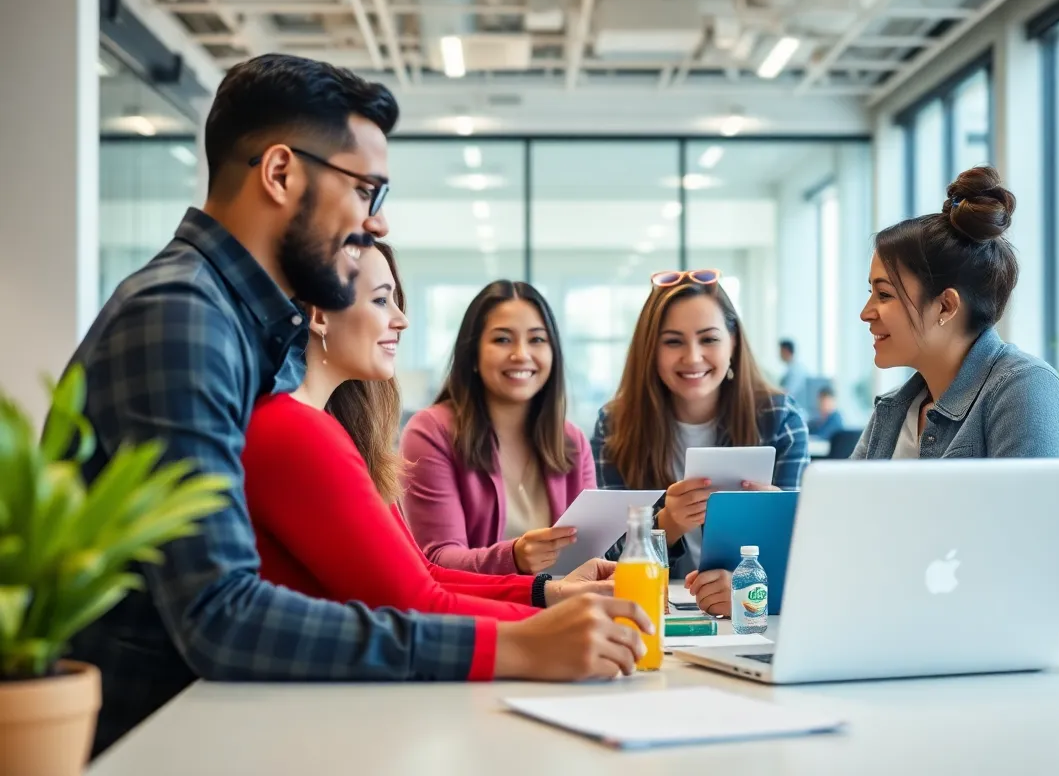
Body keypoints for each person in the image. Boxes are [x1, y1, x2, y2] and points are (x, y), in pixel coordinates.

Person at [61, 54, 651, 758]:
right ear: (280, 173)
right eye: (364, 189)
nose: (378, 221)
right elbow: (221, 617)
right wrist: (514, 646)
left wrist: (531, 609)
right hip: (159, 742)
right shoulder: (183, 317)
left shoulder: (233, 323)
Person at [243, 243, 612, 623]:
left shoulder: (337, 431)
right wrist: (546, 623)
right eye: (382, 300)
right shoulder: (299, 430)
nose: (401, 320)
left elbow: (424, 579)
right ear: (319, 314)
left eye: (537, 339)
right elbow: (416, 601)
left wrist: (551, 593)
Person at [852, 166, 1059, 616]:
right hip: (910, 633)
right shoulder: (896, 409)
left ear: (946, 305)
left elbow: (1027, 561)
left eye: (884, 294)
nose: (866, 313)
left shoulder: (1024, 392)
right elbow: (844, 531)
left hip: (1022, 655)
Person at [592, 269, 810, 615]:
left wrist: (750, 582)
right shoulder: (616, 424)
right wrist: (666, 525)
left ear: (733, 343)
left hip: (755, 623)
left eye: (708, 339)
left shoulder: (779, 417)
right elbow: (601, 565)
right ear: (650, 350)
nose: (692, 357)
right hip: (653, 621)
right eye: (673, 341)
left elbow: (805, 558)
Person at [400, 281, 596, 575]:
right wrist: (514, 557)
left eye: (537, 340)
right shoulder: (430, 432)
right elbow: (437, 559)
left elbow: (591, 548)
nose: (521, 354)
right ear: (473, 354)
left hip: (563, 610)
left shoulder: (571, 441)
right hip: (479, 615)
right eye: (503, 340)